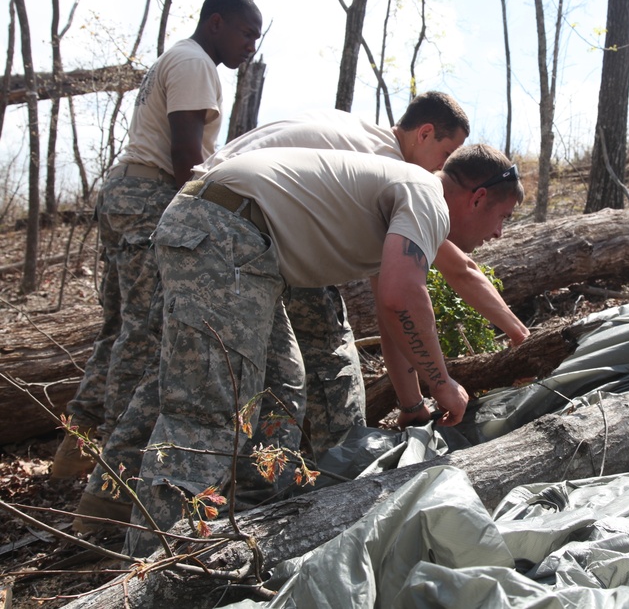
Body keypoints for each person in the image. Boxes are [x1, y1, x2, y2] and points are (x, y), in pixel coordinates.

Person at [121, 143, 522, 556]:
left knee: (281, 390)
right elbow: (402, 297)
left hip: (247, 246)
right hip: (224, 230)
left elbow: (394, 316)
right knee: (210, 414)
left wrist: (413, 403)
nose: (499, 233)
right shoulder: (426, 195)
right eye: (503, 217)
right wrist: (443, 383)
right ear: (477, 198)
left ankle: (242, 532)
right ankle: (152, 567)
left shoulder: (409, 197)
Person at [194, 94, 530, 452]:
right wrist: (446, 380)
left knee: (278, 375)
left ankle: (271, 479)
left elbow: (394, 299)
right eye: (446, 155)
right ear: (424, 133)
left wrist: (413, 405)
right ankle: (333, 464)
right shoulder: (413, 183)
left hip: (223, 215)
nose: (440, 170)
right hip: (231, 226)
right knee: (315, 369)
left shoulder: (373, 147)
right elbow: (416, 289)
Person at [50, 0, 263, 479]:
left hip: (125, 194)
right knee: (145, 328)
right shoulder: (194, 64)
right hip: (147, 198)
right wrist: (198, 214)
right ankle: (115, 458)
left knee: (120, 325)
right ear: (216, 23)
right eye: (246, 33)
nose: (251, 45)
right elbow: (186, 152)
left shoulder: (181, 58)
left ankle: (75, 449)